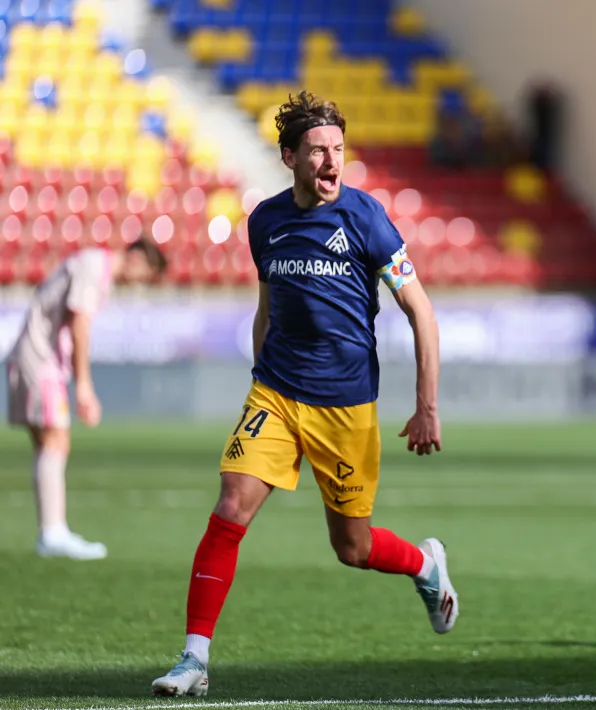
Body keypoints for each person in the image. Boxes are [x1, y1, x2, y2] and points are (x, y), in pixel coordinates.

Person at [151, 91, 455, 698]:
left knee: (353, 546)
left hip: (346, 407)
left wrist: (426, 407)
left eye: (339, 150)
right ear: (289, 156)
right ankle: (193, 659)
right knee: (231, 504)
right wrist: (259, 380)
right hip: (276, 394)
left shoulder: (366, 218)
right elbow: (268, 306)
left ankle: (425, 566)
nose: (331, 162)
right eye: (318, 151)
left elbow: (421, 311)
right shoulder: (265, 221)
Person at [5, 238, 167, 560]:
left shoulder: (92, 265)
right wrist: (84, 386)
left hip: (34, 356)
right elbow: (79, 322)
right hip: (41, 359)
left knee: (48, 443)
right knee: (56, 441)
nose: (137, 283)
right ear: (136, 258)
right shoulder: (94, 267)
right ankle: (52, 532)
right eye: (144, 274)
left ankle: (50, 530)